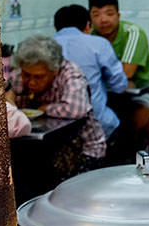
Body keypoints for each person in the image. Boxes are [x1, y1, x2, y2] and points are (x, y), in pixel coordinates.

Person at [7, 35, 106, 174]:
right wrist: (9, 102)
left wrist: (44, 108)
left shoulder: (70, 73)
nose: (31, 82)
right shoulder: (19, 75)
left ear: (54, 71)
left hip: (83, 148)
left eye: (39, 77)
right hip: (37, 147)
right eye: (27, 75)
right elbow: (3, 101)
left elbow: (76, 109)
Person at [88, 0, 149, 133]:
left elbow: (126, 72)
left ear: (118, 15)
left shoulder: (133, 33)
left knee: (132, 124)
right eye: (96, 15)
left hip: (140, 95)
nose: (103, 20)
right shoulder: (90, 36)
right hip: (104, 94)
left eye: (109, 14)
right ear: (90, 19)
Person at [54, 3, 128, 139]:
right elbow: (120, 85)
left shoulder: (44, 45)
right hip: (95, 124)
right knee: (118, 120)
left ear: (56, 27)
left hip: (55, 123)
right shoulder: (99, 44)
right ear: (88, 26)